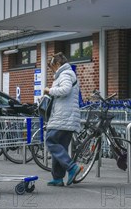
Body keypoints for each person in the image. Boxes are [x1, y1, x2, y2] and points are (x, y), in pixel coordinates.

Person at [43, 52, 82, 186]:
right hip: (67, 117)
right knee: (60, 148)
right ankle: (58, 178)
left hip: (63, 116)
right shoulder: (68, 74)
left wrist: (49, 90)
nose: (52, 70)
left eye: (52, 67)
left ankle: (71, 167)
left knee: (50, 141)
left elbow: (65, 90)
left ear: (58, 64)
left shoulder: (65, 74)